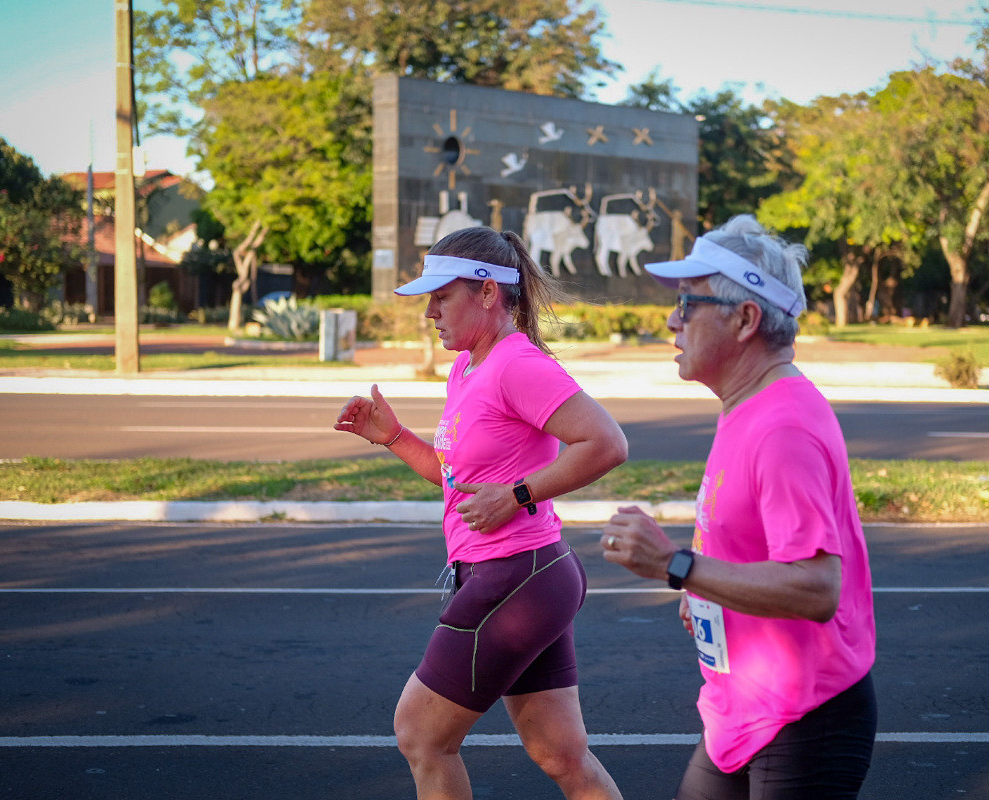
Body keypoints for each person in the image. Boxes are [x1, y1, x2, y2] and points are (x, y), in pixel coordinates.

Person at [334, 226, 627, 800]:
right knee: (561, 754)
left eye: (442, 297)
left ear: (489, 292)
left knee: (420, 734)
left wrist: (519, 493)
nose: (430, 313)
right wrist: (393, 436)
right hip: (526, 576)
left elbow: (606, 443)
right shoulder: (467, 368)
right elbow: (459, 483)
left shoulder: (518, 364)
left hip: (518, 576)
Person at [600, 214, 877, 800]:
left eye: (688, 303)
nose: (672, 320)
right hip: (742, 706)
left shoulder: (783, 427)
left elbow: (817, 587)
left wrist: (678, 567)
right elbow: (754, 539)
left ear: (745, 319)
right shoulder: (745, 404)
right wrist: (708, 587)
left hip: (802, 717)